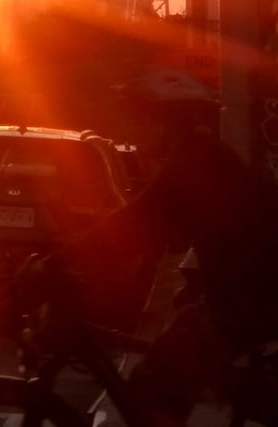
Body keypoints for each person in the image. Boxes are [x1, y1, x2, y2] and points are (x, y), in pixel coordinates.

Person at [27, 93, 278, 427]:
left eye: (141, 123)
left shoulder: (192, 162)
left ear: (164, 124)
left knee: (153, 384)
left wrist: (55, 262)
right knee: (183, 375)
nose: (136, 135)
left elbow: (136, 225)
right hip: (248, 289)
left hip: (252, 296)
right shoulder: (201, 154)